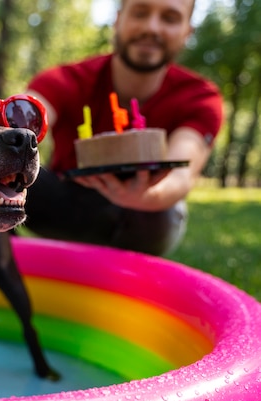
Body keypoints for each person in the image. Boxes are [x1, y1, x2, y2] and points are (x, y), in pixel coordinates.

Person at [22, 0, 223, 256]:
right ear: (118, 20)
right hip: (63, 206)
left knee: (163, 214)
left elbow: (181, 173)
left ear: (187, 32)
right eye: (140, 13)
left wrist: (148, 197)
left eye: (170, 18)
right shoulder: (65, 80)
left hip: (144, 217)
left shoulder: (200, 98)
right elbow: (21, 118)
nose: (152, 27)